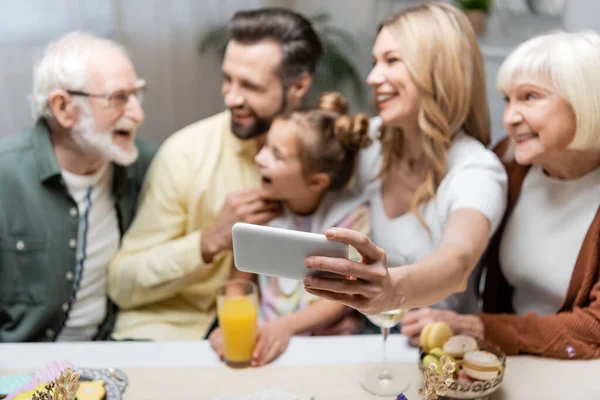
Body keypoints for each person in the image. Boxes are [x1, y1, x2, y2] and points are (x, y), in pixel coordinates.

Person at [107, 7, 324, 340]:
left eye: (250, 86)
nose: (231, 97)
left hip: (276, 339)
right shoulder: (184, 156)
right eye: (227, 79)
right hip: (167, 335)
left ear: (298, 86)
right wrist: (208, 243)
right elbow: (120, 283)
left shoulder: (326, 157)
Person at [401, 31, 600, 360]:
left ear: (586, 99)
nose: (509, 118)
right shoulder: (510, 161)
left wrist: (480, 327)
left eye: (530, 97)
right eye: (507, 99)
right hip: (504, 360)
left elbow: (593, 328)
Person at [300, 1, 508, 315]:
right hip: (364, 336)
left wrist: (393, 290)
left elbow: (458, 260)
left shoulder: (477, 170)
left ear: (439, 71)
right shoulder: (371, 141)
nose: (372, 77)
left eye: (392, 60)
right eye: (375, 61)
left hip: (435, 350)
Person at [0, 32, 157, 342]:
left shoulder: (145, 163)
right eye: (119, 98)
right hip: (21, 366)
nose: (138, 114)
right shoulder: (6, 175)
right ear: (63, 108)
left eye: (138, 95)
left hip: (111, 353)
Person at [209, 92, 371, 366]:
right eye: (264, 147)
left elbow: (345, 296)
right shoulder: (258, 210)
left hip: (326, 347)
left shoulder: (352, 220)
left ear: (316, 181)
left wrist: (287, 327)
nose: (259, 158)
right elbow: (240, 280)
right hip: (264, 336)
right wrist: (231, 324)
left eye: (276, 154)